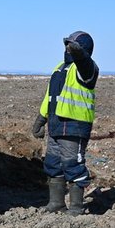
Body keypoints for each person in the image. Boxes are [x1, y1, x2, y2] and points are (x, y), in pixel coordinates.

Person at [30, 31, 99, 215]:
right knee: (53, 164)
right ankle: (56, 203)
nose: (67, 49)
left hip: (74, 126)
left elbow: (83, 62)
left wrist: (79, 53)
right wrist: (41, 119)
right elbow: (49, 97)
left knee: (72, 165)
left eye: (71, 46)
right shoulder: (60, 69)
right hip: (56, 125)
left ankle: (76, 208)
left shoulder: (87, 69)